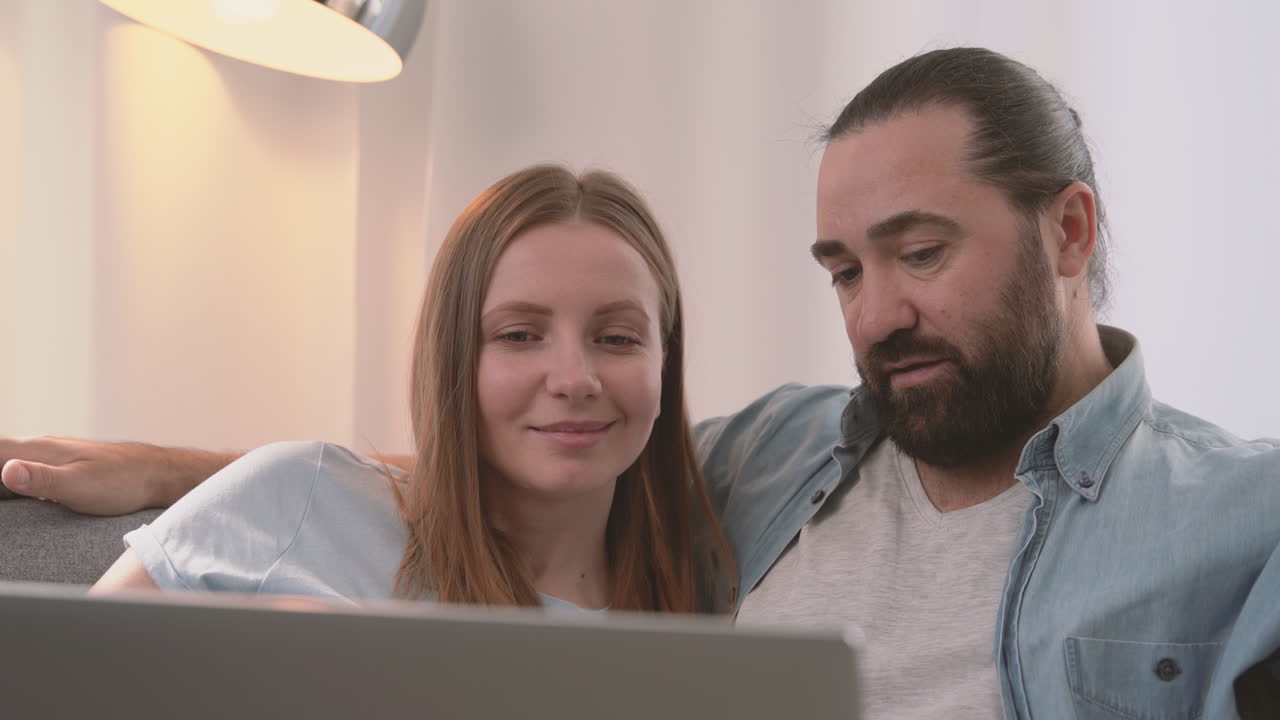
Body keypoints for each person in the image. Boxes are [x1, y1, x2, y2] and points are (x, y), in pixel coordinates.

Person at [2, 48, 1277, 718]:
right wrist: (190, 474)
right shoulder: (785, 456)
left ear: (1067, 233)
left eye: (921, 252)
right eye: (840, 268)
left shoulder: (1235, 518)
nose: (876, 315)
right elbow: (538, 458)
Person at [79, 164, 735, 612]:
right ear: (450, 357)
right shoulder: (297, 499)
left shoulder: (711, 598)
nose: (574, 379)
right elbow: (46, 683)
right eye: (518, 335)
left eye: (617, 338)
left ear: (665, 361)